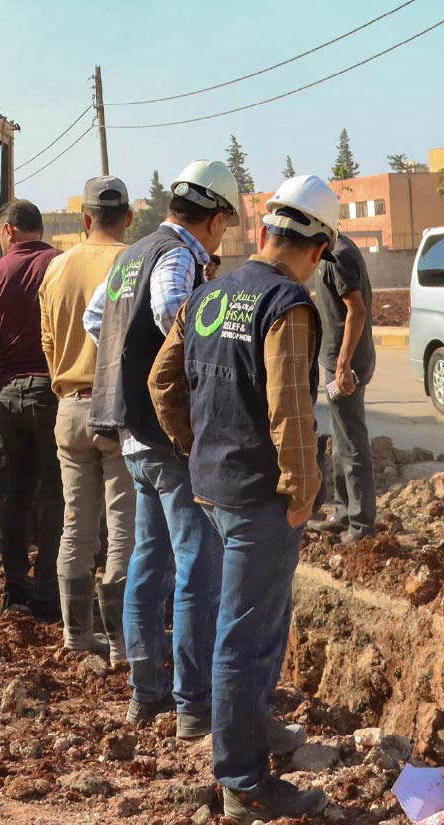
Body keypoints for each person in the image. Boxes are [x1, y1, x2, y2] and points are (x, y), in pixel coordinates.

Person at [150, 173, 341, 823]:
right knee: (246, 638)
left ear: (263, 232)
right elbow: (291, 409)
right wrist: (300, 492)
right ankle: (242, 780)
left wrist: (189, 444)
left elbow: (161, 378)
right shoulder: (287, 303)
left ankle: (252, 735)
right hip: (260, 495)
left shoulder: (209, 293)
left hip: (211, 486)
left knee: (249, 628)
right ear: (317, 250)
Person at [85, 160, 239, 739]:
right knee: (198, 563)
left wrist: (130, 365)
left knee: (149, 562)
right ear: (216, 217)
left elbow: (94, 316)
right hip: (167, 433)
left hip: (130, 433)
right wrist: (190, 367)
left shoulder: (131, 253)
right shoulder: (176, 256)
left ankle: (144, 695)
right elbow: (173, 311)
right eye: (223, 225)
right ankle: (193, 703)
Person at [39, 177, 138, 659]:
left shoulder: (56, 268)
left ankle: (76, 637)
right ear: (130, 218)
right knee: (123, 526)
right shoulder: (135, 261)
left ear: (84, 218)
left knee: (75, 524)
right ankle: (121, 643)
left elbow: (49, 345)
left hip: (70, 408)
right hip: (118, 411)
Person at [0, 199, 63, 619]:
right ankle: (48, 593)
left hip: (9, 395)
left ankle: (15, 589)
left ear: (7, 231)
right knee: (56, 493)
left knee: (18, 491)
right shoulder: (60, 266)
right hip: (53, 392)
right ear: (38, 229)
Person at [307, 230, 376, 541]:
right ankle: (344, 512)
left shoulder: (340, 254)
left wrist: (344, 365)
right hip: (336, 361)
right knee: (340, 437)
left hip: (345, 365)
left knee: (351, 440)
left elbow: (356, 310)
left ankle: (361, 524)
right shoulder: (329, 251)